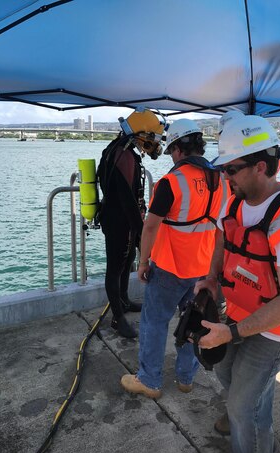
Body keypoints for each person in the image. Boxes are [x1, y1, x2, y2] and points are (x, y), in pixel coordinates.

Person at [194, 112, 280, 453]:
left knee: (240, 408)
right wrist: (211, 278)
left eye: (231, 169)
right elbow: (221, 237)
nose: (224, 177)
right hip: (237, 315)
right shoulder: (234, 201)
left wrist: (230, 333)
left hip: (277, 332)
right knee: (230, 380)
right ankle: (268, 444)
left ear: (261, 166)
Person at [120, 118, 230, 398]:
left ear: (178, 149)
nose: (171, 157)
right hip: (203, 268)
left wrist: (143, 262)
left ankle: (150, 381)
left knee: (154, 322)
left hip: (170, 267)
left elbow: (151, 225)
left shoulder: (172, 182)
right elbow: (222, 227)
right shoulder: (222, 180)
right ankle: (185, 378)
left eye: (171, 152)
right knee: (194, 321)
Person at [97, 107, 165, 339]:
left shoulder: (120, 151)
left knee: (126, 263)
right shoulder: (122, 155)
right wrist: (140, 233)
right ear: (140, 133)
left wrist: (137, 229)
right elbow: (127, 200)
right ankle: (117, 318)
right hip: (118, 221)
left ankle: (124, 301)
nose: (154, 143)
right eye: (152, 137)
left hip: (122, 219)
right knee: (115, 267)